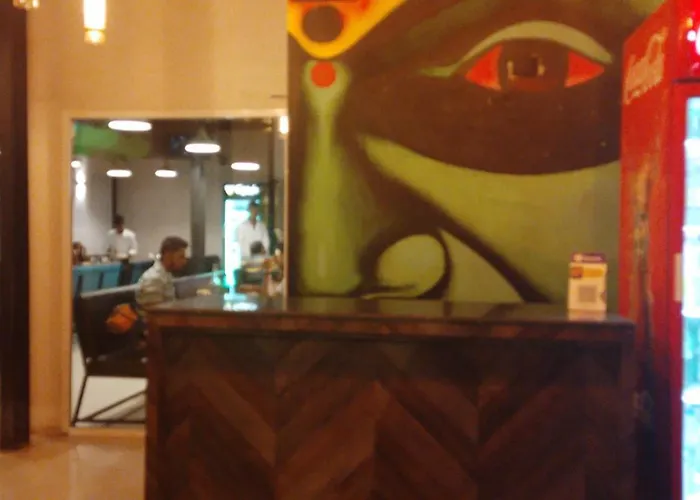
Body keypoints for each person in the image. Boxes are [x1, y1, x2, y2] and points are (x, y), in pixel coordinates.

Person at [136, 236, 189, 308]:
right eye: (181, 257)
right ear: (168, 255)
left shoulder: (165, 275)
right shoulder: (154, 278)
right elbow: (155, 312)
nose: (184, 261)